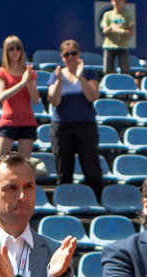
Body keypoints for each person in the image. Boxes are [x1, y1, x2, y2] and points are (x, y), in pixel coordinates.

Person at [46, 40, 103, 200]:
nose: (70, 57)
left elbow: (92, 96)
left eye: (73, 53)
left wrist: (80, 78)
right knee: (64, 170)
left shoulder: (89, 72)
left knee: (91, 168)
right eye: (66, 54)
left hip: (85, 126)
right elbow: (54, 100)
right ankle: (64, 203)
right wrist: (58, 82)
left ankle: (96, 202)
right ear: (62, 56)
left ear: (79, 54)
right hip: (62, 127)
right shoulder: (56, 74)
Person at [0, 36, 39, 158]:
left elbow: (36, 99)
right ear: (6, 51)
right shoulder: (1, 72)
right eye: (11, 48)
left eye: (18, 48)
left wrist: (28, 81)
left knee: (24, 164)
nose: (15, 51)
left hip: (27, 121)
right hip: (8, 121)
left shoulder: (29, 73)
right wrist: (22, 82)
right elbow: (1, 96)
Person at [101, 0, 135, 76]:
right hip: (109, 46)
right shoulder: (107, 14)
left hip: (122, 46)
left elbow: (131, 33)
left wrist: (122, 31)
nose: (117, 2)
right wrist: (112, 27)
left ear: (124, 2)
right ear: (112, 1)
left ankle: (125, 86)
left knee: (125, 71)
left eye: (119, 0)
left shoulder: (128, 15)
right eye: (116, 0)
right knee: (108, 71)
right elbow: (104, 31)